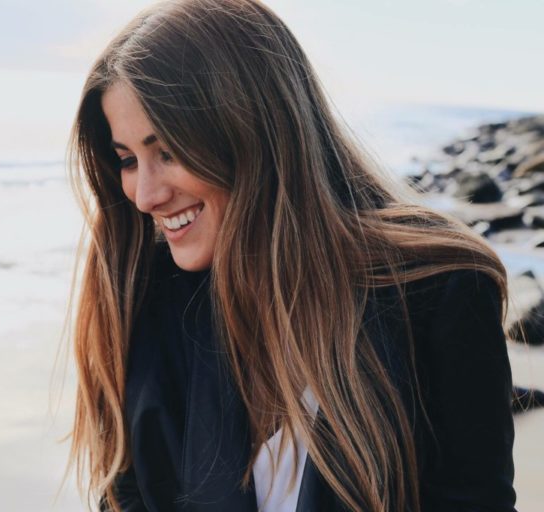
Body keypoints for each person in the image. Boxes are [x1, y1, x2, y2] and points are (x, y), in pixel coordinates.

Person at [63, 0, 517, 510]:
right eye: (127, 160)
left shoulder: (441, 291)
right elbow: (129, 497)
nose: (145, 196)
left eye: (167, 150)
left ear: (252, 129)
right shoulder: (149, 295)